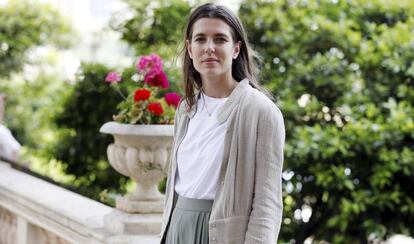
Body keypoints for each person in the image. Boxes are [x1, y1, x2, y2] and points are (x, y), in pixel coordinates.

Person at [160, 3, 285, 244]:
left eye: (219, 39)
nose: (209, 48)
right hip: (177, 229)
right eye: (200, 39)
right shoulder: (186, 109)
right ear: (189, 48)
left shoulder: (261, 112)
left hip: (224, 236)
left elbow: (267, 203)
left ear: (236, 49)